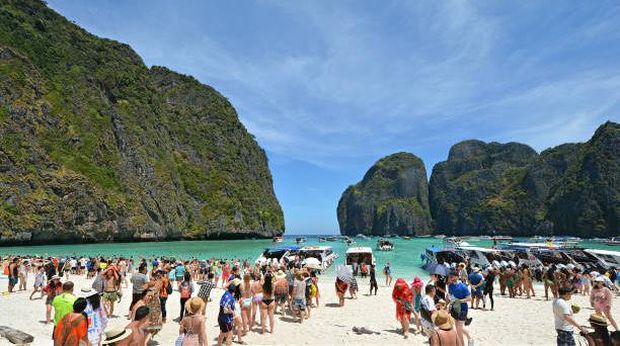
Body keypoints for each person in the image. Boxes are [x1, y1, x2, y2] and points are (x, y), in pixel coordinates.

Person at [447, 271, 472, 346]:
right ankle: (470, 337)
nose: (450, 278)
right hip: (454, 309)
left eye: (452, 277)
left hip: (463, 309)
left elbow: (469, 298)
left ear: (457, 277)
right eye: (450, 277)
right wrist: (446, 305)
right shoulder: (450, 286)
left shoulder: (463, 287)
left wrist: (459, 301)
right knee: (458, 328)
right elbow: (450, 297)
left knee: (458, 330)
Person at [218, 281, 238, 346]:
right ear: (234, 291)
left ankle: (219, 344)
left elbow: (224, 286)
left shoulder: (226, 293)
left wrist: (231, 281)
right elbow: (225, 310)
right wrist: (233, 313)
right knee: (229, 335)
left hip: (220, 317)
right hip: (226, 319)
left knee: (222, 333)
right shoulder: (231, 298)